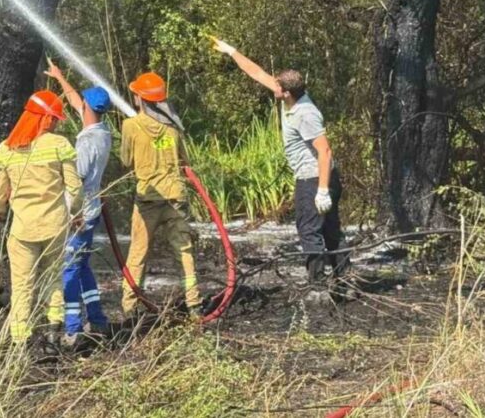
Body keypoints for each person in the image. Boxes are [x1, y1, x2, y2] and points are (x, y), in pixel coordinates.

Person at [211, 38, 349, 294]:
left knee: (310, 231)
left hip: (314, 179)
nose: (272, 86)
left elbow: (325, 150)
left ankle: (318, 287)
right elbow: (256, 72)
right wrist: (231, 52)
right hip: (316, 178)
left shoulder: (305, 113)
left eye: (277, 85)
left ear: (286, 91)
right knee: (329, 230)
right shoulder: (290, 98)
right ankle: (345, 282)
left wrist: (321, 190)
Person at [0, 90, 84, 346]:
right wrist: (77, 213)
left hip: (22, 230)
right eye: (52, 118)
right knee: (53, 277)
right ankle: (54, 331)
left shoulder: (7, 148)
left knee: (22, 285)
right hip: (55, 226)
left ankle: (21, 341)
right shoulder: (60, 145)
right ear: (43, 117)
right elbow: (74, 188)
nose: (54, 123)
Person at [120, 72, 203, 319]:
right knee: (184, 252)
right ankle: (194, 304)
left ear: (141, 98)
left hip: (148, 201)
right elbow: (185, 161)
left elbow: (125, 160)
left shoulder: (130, 126)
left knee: (138, 254)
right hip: (176, 197)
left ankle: (129, 306)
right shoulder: (173, 127)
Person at [44, 59, 112, 345]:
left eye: (81, 103)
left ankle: (72, 329)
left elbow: (78, 179)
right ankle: (97, 319)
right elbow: (76, 103)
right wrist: (60, 77)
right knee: (82, 265)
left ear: (87, 107)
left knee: (70, 268)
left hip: (79, 214)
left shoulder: (86, 143)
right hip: (92, 210)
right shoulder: (102, 131)